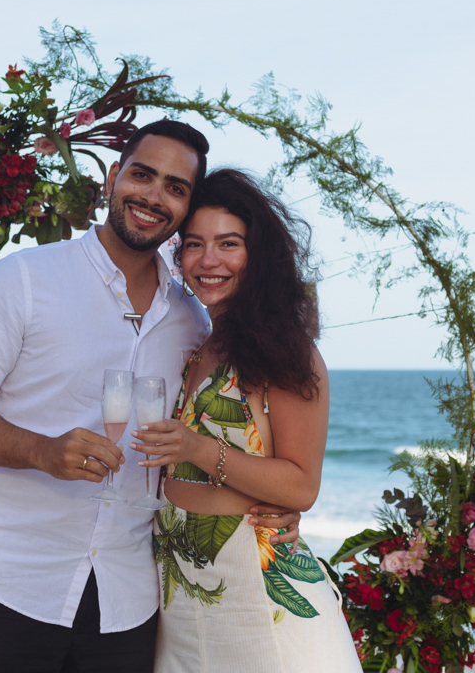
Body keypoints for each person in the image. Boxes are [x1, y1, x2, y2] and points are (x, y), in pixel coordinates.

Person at [0, 121, 302, 673]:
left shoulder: (193, 321)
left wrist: (272, 505)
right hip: (6, 581)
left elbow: (222, 436)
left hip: (127, 601)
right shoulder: (26, 279)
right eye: (142, 175)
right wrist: (42, 451)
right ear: (112, 178)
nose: (154, 196)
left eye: (176, 188)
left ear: (186, 207)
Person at [131, 169, 362, 672]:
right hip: (183, 596)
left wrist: (196, 449)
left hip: (258, 595)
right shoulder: (202, 344)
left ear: (258, 257)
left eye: (227, 244)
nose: (208, 261)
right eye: (194, 244)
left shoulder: (287, 351)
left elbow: (300, 486)